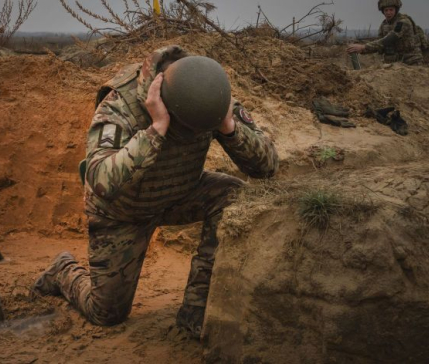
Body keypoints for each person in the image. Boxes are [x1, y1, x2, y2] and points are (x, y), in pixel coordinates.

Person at [32, 45, 278, 339]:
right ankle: (62, 270)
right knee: (107, 314)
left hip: (179, 193)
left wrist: (228, 126)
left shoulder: (205, 96)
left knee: (233, 194)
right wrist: (157, 129)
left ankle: (195, 309)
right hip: (123, 212)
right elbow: (99, 181)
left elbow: (267, 166)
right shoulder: (119, 106)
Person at [346, 0, 424, 65]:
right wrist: (360, 47)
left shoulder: (403, 22)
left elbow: (389, 39)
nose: (388, 13)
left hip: (411, 61)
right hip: (394, 62)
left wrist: (363, 47)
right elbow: (379, 44)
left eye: (391, 10)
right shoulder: (384, 25)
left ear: (396, 10)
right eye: (386, 10)